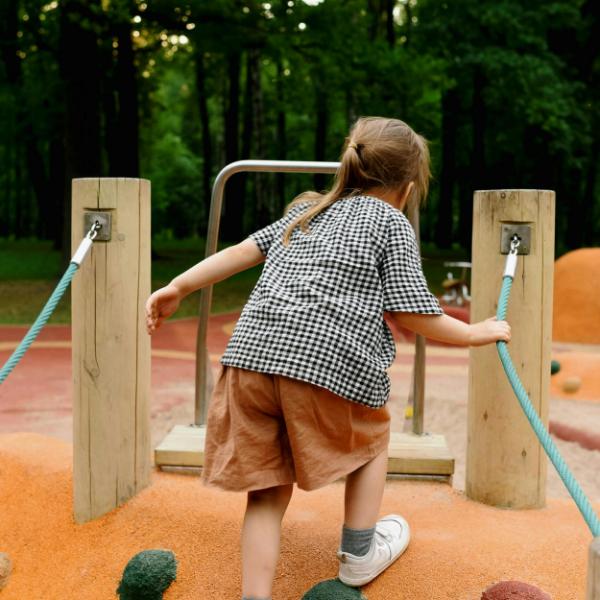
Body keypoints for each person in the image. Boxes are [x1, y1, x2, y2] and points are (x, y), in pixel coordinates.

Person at [145, 116, 511, 600]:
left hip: (249, 361)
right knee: (372, 438)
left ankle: (254, 596)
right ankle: (359, 552)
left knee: (269, 488)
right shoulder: (390, 222)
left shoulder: (312, 210)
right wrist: (474, 332)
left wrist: (178, 286)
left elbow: (241, 250)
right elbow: (410, 309)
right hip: (321, 365)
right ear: (406, 186)